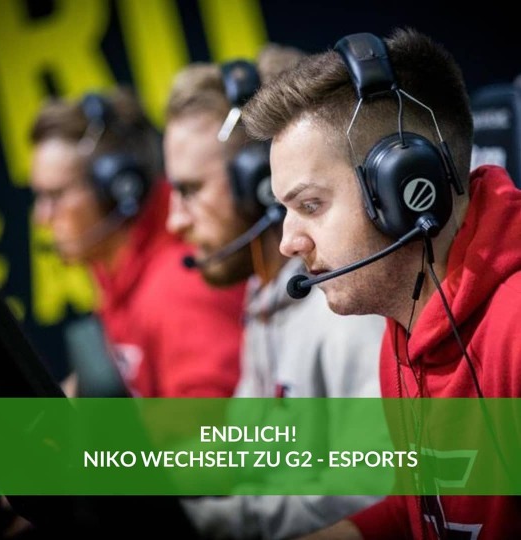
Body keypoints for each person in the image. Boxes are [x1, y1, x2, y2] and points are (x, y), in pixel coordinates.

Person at [242, 27, 521, 539]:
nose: (287, 243)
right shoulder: (405, 323)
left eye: (310, 205)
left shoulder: (515, 329)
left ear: (409, 189)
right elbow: (419, 511)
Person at [164, 43, 387, 539]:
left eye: (191, 190)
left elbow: (368, 494)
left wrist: (202, 523)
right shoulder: (267, 297)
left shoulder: (347, 307)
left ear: (260, 184)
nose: (173, 221)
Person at [29, 86, 246, 399]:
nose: (42, 218)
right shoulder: (120, 273)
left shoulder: (177, 288)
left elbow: (217, 426)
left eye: (56, 195)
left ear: (117, 189)